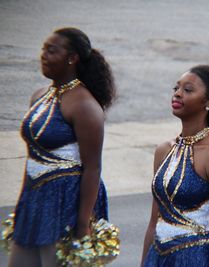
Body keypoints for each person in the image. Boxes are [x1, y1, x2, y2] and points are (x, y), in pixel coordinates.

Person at [8, 27, 116, 266]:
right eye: (43, 49)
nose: (43, 55)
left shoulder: (85, 106)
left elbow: (93, 168)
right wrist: (24, 202)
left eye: (51, 50)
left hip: (65, 202)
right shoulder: (40, 95)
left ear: (72, 58)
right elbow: (33, 157)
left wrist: (82, 222)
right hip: (34, 198)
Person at [141, 65, 209, 267]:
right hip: (158, 256)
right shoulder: (163, 150)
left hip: (194, 258)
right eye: (176, 88)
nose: (177, 94)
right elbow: (154, 221)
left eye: (187, 90)